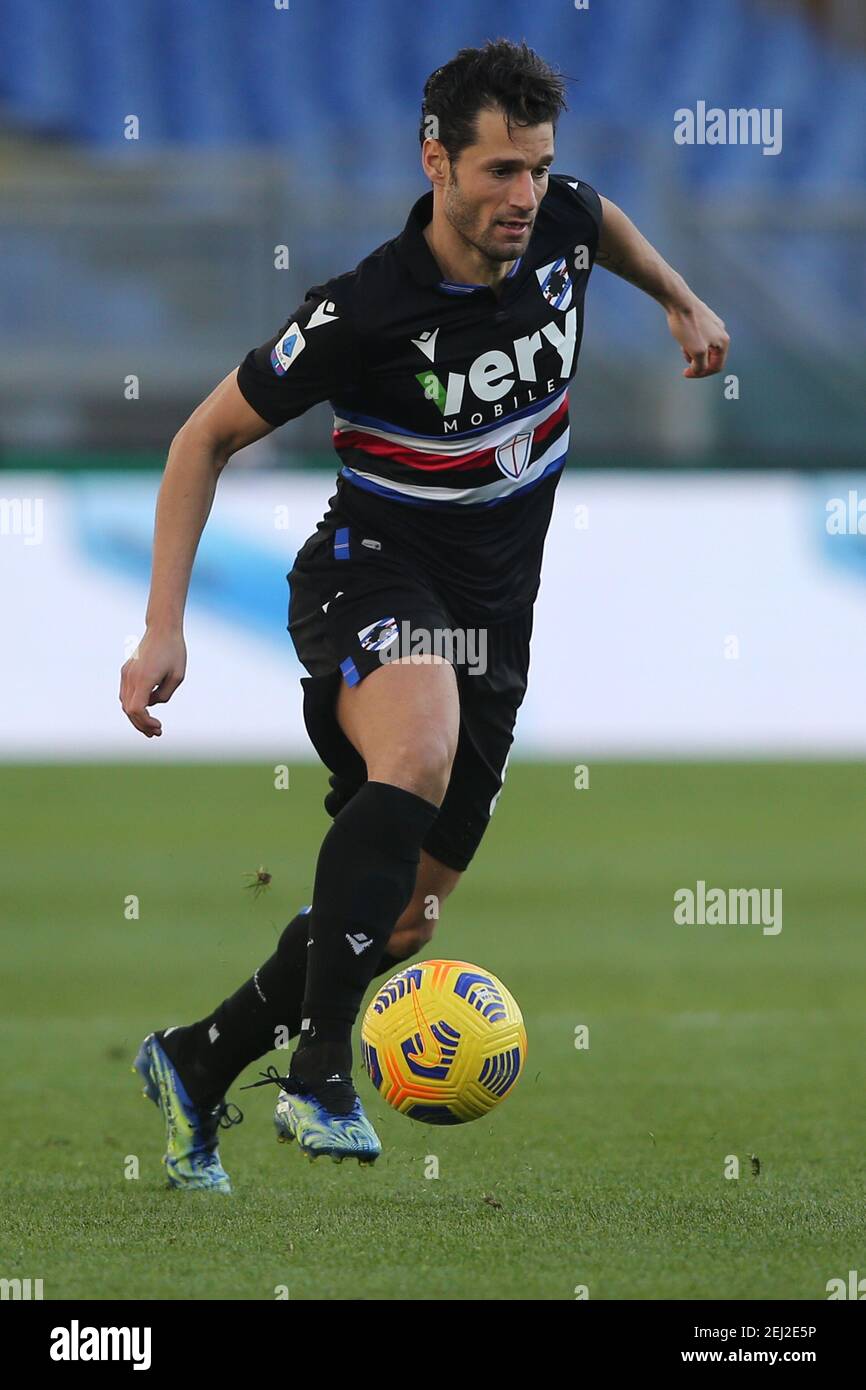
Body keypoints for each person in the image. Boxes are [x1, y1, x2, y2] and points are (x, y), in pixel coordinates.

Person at [120, 39, 729, 1191]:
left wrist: (682, 300)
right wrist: (164, 627)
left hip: (498, 623)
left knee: (396, 924)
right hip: (370, 570)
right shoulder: (363, 310)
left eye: (537, 169)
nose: (523, 196)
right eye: (498, 171)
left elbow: (600, 222)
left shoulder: (558, 223)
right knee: (417, 744)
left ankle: (198, 1062)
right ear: (433, 160)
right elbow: (199, 437)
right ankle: (317, 1073)